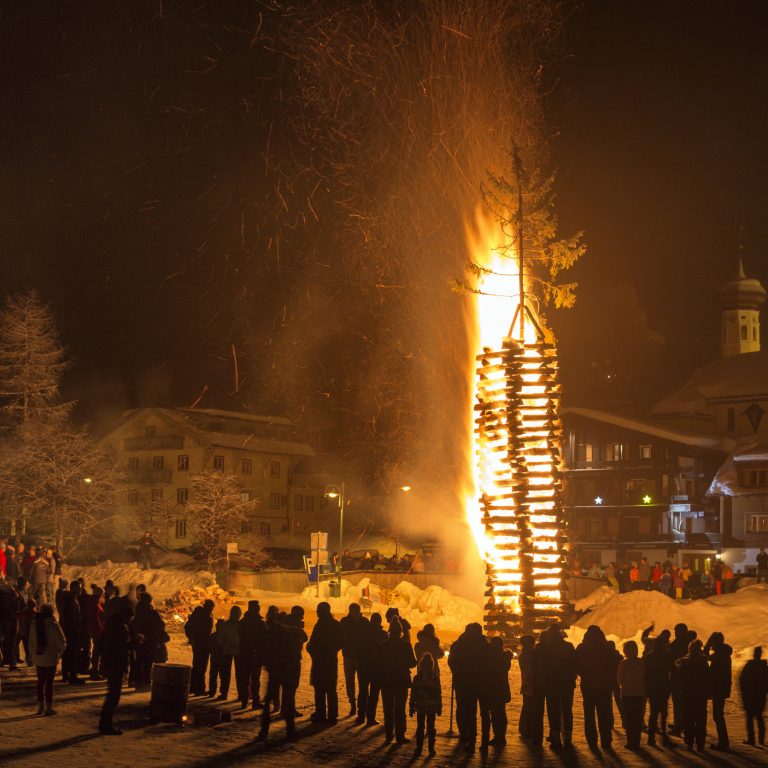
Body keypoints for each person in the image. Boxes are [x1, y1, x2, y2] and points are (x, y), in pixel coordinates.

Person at [534, 624, 577, 750]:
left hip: (550, 684)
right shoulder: (568, 647)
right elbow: (575, 664)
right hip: (567, 684)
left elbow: (537, 665)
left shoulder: (542, 648)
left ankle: (556, 739)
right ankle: (567, 739)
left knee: (554, 712)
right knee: (567, 711)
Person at [448, 622, 490, 751]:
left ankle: (468, 737)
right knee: (483, 713)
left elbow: (452, 663)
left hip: (464, 684)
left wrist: (458, 674)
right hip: (481, 683)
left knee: (467, 711)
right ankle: (483, 741)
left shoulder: (458, 645)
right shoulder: (485, 646)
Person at [378, 617, 417, 744]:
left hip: (386, 680)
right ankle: (400, 735)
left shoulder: (383, 645)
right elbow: (412, 663)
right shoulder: (405, 645)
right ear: (401, 631)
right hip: (401, 681)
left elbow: (378, 662)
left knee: (388, 708)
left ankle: (389, 733)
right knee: (400, 709)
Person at [575, 625, 615, 749]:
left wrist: (585, 676)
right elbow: (613, 666)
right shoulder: (607, 647)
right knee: (605, 713)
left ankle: (592, 740)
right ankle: (606, 740)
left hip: (588, 685)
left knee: (589, 714)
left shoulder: (582, 648)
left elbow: (576, 665)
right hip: (605, 686)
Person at [99, 601, 134, 735]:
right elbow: (120, 646)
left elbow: (102, 643)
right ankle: (106, 724)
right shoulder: (119, 627)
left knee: (112, 694)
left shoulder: (111, 624)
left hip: (110, 663)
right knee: (113, 695)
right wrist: (133, 642)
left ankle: (105, 722)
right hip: (116, 664)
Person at [306, 601, 343, 724]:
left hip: (320, 661)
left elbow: (313, 642)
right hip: (331, 660)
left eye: (318, 610)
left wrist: (310, 649)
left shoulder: (320, 625)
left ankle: (321, 714)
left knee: (320, 689)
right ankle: (332, 715)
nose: (316, 612)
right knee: (330, 689)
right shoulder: (335, 624)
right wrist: (333, 650)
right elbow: (341, 642)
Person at [30, 603, 66, 715]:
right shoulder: (53, 625)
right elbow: (61, 641)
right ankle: (48, 707)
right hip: (51, 656)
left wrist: (33, 655)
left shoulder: (35, 625)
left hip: (39, 656)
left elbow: (31, 642)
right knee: (49, 682)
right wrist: (61, 651)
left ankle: (40, 706)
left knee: (40, 681)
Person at [676, 639, 710, 752]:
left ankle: (689, 742)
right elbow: (707, 679)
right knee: (700, 720)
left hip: (687, 695)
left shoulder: (683, 663)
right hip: (700, 695)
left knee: (688, 719)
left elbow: (680, 680)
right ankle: (700, 744)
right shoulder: (703, 663)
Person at [354, 611, 386, 725]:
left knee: (363, 691)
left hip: (363, 666)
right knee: (374, 694)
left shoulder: (362, 633)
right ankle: (370, 717)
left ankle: (361, 716)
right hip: (377, 668)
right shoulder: (383, 635)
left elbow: (356, 649)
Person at [132, 592, 167, 690]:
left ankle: (137, 682)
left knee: (139, 661)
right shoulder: (152, 612)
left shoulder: (138, 610)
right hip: (150, 640)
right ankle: (146, 683)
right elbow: (160, 624)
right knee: (147, 662)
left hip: (140, 640)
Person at [339, 602, 368, 717]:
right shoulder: (345, 621)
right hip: (351, 656)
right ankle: (353, 704)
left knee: (361, 683)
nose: (356, 613)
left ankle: (359, 707)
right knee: (351, 681)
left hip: (358, 656)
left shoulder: (363, 622)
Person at [410, 651, 441, 756]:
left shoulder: (417, 678)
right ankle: (431, 749)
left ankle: (419, 748)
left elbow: (413, 693)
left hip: (420, 706)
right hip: (431, 706)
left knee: (420, 727)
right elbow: (438, 693)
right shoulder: (435, 678)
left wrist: (411, 705)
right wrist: (439, 706)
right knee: (431, 727)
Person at [237, 600, 267, 709]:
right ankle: (255, 701)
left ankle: (244, 701)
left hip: (244, 654)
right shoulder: (260, 623)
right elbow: (264, 640)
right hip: (255, 655)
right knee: (255, 680)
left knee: (245, 679)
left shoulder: (243, 622)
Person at [644, 628, 672, 745]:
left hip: (652, 688)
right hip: (662, 688)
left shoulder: (649, 656)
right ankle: (664, 737)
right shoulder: (666, 656)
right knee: (663, 714)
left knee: (653, 713)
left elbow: (645, 673)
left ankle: (651, 738)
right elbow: (670, 672)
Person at [705, 631, 732, 751]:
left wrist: (707, 644)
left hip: (718, 689)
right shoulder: (722, 653)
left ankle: (724, 743)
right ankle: (723, 742)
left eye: (713, 640)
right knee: (718, 715)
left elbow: (704, 655)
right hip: (720, 689)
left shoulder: (720, 655)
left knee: (718, 715)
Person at [484, 635, 511, 748]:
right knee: (500, 713)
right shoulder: (505, 657)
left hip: (493, 688)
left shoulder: (493, 657)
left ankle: (498, 736)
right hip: (503, 688)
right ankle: (501, 736)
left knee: (495, 714)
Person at [617, 640, 645, 749]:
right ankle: (637, 742)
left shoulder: (623, 663)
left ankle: (630, 742)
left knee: (629, 719)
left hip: (627, 694)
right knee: (637, 719)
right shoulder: (642, 662)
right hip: (639, 694)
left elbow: (619, 680)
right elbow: (645, 677)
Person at [739, 646, 768, 746]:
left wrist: (743, 693)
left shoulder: (749, 665)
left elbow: (742, 680)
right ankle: (761, 739)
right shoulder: (764, 666)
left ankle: (751, 739)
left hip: (749, 696)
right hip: (760, 696)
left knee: (750, 717)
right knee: (759, 716)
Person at [185, 599, 214, 696]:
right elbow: (206, 632)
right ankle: (199, 689)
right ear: (209, 607)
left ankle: (192, 687)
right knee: (201, 667)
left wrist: (192, 639)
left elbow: (187, 626)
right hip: (202, 645)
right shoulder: (206, 617)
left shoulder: (197, 614)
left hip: (197, 644)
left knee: (197, 665)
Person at [59, 581, 84, 684]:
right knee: (73, 653)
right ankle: (72, 676)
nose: (80, 590)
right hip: (72, 631)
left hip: (68, 630)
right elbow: (71, 617)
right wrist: (77, 627)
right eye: (78, 588)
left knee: (67, 653)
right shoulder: (71, 600)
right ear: (73, 588)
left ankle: (66, 675)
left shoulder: (69, 599)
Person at [215, 605, 241, 700]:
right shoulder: (241, 625)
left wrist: (224, 646)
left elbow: (220, 638)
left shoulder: (225, 625)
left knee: (225, 674)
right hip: (239, 651)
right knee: (240, 674)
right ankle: (241, 694)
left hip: (226, 651)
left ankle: (224, 693)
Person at [667, 622, 689, 735]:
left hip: (677, 677)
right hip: (686, 677)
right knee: (683, 702)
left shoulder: (676, 644)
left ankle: (678, 725)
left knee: (677, 702)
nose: (675, 632)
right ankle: (682, 722)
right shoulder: (689, 643)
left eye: (676, 630)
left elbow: (669, 659)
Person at [518, 634, 537, 742]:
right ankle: (528, 730)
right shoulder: (530, 655)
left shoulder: (522, 655)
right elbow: (531, 671)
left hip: (525, 684)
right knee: (531, 708)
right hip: (531, 684)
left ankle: (524, 729)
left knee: (526, 707)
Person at [207, 618, 225, 698]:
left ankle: (212, 691)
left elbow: (209, 647)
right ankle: (222, 693)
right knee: (222, 676)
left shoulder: (213, 636)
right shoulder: (225, 636)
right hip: (221, 658)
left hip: (215, 657)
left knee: (213, 675)